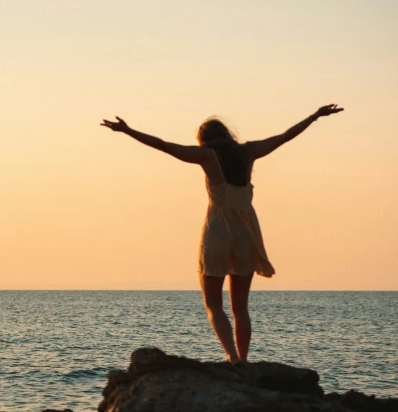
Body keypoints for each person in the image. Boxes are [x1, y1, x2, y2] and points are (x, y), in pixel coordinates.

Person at [101, 105, 343, 364]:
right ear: (227, 133)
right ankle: (244, 361)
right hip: (247, 233)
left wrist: (127, 131)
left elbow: (163, 145)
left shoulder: (206, 156)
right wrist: (315, 116)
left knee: (214, 305)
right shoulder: (249, 152)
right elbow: (285, 136)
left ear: (203, 140)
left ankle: (232, 357)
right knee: (240, 308)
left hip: (217, 231)